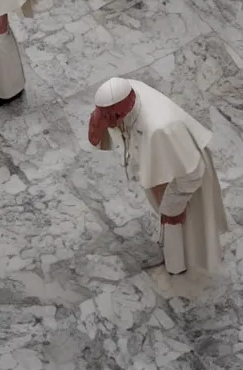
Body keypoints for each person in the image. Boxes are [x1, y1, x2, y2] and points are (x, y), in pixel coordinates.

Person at [88, 77, 228, 275]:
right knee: (168, 219)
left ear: (118, 113)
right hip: (161, 165)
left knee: (187, 225)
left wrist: (173, 205)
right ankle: (174, 255)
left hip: (185, 173)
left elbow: (192, 172)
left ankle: (181, 265)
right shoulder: (123, 95)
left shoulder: (160, 128)